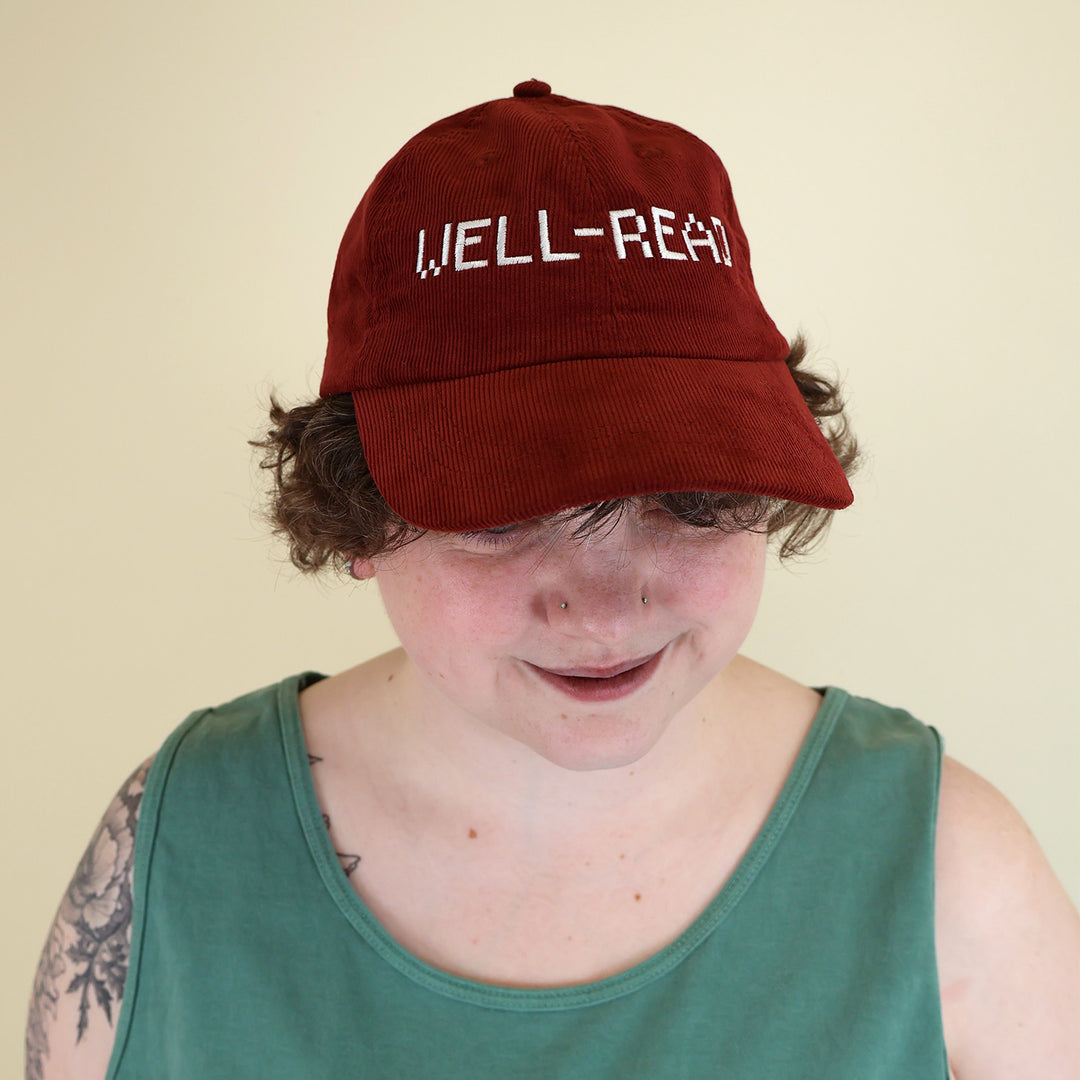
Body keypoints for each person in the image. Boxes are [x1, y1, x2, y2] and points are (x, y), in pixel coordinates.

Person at [25, 79, 1080, 1080]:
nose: (606, 608)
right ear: (356, 512)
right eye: (498, 514)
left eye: (692, 499)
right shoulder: (169, 854)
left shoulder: (953, 878)